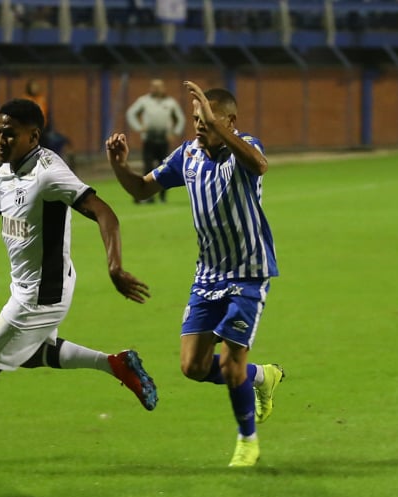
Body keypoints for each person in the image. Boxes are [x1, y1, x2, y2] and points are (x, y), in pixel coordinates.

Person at [0, 98, 158, 472]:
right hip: (31, 287)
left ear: (33, 136)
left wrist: (115, 266)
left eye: (9, 134)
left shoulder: (49, 173)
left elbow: (104, 211)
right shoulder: (5, 173)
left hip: (41, 295)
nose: (0, 140)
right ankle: (115, 364)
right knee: (28, 353)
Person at [106, 82, 284, 467]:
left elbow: (260, 165)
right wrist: (120, 167)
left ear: (229, 121)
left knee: (229, 363)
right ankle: (260, 377)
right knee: (193, 367)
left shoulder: (245, 148)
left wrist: (225, 133)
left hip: (248, 274)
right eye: (196, 119)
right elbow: (140, 189)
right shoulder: (186, 155)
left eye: (207, 119)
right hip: (208, 275)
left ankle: (247, 440)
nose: (199, 125)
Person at [125, 78, 185, 203]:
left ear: (164, 88)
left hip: (163, 141)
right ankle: (149, 196)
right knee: (148, 167)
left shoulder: (170, 102)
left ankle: (162, 196)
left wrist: (175, 132)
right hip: (149, 140)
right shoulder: (144, 101)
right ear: (150, 88)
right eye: (154, 86)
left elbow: (180, 118)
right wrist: (139, 127)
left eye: (159, 86)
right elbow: (131, 113)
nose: (157, 88)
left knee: (164, 168)